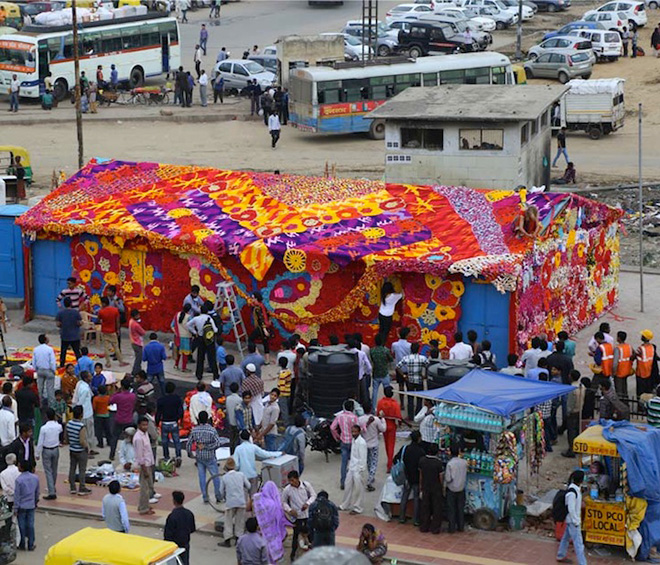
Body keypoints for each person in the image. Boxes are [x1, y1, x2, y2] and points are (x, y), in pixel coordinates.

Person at [186, 410, 223, 504]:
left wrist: (190, 454)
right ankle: (218, 496)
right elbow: (218, 443)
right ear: (208, 419)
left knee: (202, 477)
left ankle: (205, 497)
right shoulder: (212, 430)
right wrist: (208, 447)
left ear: (198, 419)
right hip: (210, 456)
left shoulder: (195, 430)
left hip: (199, 457)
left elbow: (188, 443)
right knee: (215, 477)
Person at [282, 469, 317, 561]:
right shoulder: (287, 489)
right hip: (297, 517)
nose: (291, 482)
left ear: (297, 479)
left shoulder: (306, 485)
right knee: (295, 535)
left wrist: (308, 503)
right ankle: (293, 555)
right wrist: (289, 510)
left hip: (308, 515)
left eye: (292, 480)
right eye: (290, 480)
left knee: (310, 534)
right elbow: (283, 502)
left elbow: (313, 495)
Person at [233, 429, 282, 494]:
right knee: (254, 497)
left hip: (243, 476)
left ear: (240, 437)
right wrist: (279, 453)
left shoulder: (238, 449)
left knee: (244, 498)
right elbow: (265, 454)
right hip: (253, 475)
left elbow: (236, 465)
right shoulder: (253, 447)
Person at [394, 430, 425, 526]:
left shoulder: (405, 449)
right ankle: (415, 520)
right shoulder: (421, 452)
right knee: (416, 498)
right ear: (419, 438)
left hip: (406, 477)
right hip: (416, 478)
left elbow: (395, 459)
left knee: (404, 497)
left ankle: (401, 517)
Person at [219, 457, 251, 547]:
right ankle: (238, 539)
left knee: (228, 521)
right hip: (241, 501)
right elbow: (248, 486)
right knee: (240, 521)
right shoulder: (241, 475)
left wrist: (224, 497)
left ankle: (227, 540)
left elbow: (221, 492)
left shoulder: (224, 478)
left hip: (230, 502)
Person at [557, 470, 587, 565]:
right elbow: (571, 508)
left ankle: (561, 555)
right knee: (578, 544)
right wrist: (576, 521)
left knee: (566, 538)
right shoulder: (572, 493)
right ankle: (583, 563)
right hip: (573, 521)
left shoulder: (575, 490)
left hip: (571, 520)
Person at [330, 400, 359, 490]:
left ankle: (343, 482)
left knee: (344, 462)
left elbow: (332, 427)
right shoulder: (354, 417)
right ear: (352, 408)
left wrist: (337, 436)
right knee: (353, 462)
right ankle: (352, 480)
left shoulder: (340, 416)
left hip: (343, 441)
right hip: (353, 441)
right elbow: (358, 428)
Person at [339, 424, 367, 516]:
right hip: (351, 467)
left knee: (358, 489)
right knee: (348, 486)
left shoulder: (362, 443)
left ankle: (358, 507)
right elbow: (352, 455)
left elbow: (363, 458)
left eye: (355, 432)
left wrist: (361, 470)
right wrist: (349, 466)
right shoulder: (353, 440)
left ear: (359, 432)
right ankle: (345, 505)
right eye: (352, 432)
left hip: (358, 469)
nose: (353, 433)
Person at [187, 304, 219, 381]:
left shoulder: (196, 318)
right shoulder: (209, 318)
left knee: (200, 357)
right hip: (208, 339)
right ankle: (215, 374)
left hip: (200, 338)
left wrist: (195, 332)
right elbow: (215, 330)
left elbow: (188, 325)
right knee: (212, 357)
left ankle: (199, 374)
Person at [163, 491, 196, 565]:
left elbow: (167, 535)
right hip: (185, 544)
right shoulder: (189, 513)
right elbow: (192, 529)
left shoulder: (172, 516)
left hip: (173, 547)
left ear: (174, 501)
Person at [36, 407, 62, 500]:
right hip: (55, 449)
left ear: (46, 417)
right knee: (54, 470)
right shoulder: (58, 426)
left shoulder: (44, 428)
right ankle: (52, 487)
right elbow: (61, 430)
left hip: (46, 450)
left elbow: (40, 442)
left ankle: (51, 491)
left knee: (48, 471)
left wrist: (37, 453)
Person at [397, 342, 429, 417]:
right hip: (419, 380)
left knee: (410, 398)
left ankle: (410, 415)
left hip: (410, 380)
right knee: (419, 399)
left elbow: (398, 367)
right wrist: (425, 375)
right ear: (418, 349)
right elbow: (428, 366)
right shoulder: (422, 358)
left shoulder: (406, 358)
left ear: (411, 349)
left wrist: (404, 375)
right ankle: (418, 415)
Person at [358, 407, 385, 492]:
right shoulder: (376, 420)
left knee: (368, 461)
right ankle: (370, 479)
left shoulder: (360, 419)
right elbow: (383, 429)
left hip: (365, 444)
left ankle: (370, 476)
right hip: (374, 444)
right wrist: (383, 419)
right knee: (374, 462)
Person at [418, 442, 444, 534]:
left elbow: (420, 475)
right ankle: (435, 528)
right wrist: (442, 488)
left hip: (425, 486)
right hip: (436, 487)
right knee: (437, 508)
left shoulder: (422, 460)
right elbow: (440, 477)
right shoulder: (438, 463)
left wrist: (421, 487)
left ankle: (424, 526)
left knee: (425, 507)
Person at [156, 381, 184, 465]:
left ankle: (166, 457)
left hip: (165, 422)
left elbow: (158, 413)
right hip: (174, 422)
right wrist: (180, 419)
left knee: (165, 441)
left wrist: (157, 423)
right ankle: (178, 456)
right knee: (176, 440)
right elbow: (181, 411)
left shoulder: (161, 400)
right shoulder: (177, 399)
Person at [66, 405, 91, 496]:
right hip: (80, 451)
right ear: (81, 414)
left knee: (72, 468)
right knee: (82, 470)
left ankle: (72, 487)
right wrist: (87, 448)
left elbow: (66, 438)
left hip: (72, 449)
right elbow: (82, 440)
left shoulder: (69, 424)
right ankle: (82, 488)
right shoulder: (81, 426)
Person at [14, 460, 39, 551]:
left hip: (21, 506)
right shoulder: (35, 478)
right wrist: (36, 502)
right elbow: (37, 492)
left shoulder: (19, 480)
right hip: (31, 505)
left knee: (21, 525)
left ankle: (22, 543)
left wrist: (15, 508)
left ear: (22, 468)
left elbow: (17, 496)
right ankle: (31, 544)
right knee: (31, 524)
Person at [109, 378, 136, 460]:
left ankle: (112, 454)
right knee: (130, 438)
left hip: (119, 419)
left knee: (115, 437)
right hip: (129, 419)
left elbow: (110, 401)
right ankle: (130, 455)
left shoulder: (118, 396)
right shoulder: (133, 396)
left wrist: (116, 392)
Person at [133, 416, 156, 515]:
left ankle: (146, 504)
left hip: (149, 463)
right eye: (143, 425)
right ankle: (143, 508)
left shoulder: (145, 434)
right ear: (139, 425)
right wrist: (145, 469)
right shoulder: (138, 438)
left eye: (146, 425)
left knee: (149, 486)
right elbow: (140, 455)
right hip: (144, 465)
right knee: (144, 488)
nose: (145, 427)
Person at [98, 297, 127, 368]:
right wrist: (117, 330)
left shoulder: (101, 311)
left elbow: (99, 320)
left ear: (103, 303)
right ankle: (121, 362)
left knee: (106, 348)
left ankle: (108, 363)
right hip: (113, 331)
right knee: (116, 347)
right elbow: (117, 321)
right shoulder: (115, 310)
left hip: (104, 331)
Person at [377, 386, 401, 472]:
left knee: (387, 444)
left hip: (383, 425)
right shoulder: (395, 404)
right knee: (391, 445)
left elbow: (378, 415)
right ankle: (389, 463)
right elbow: (398, 417)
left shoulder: (380, 402)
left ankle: (389, 460)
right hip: (391, 425)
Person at [445, 443, 467, 533]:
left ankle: (451, 528)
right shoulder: (464, 462)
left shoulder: (450, 464)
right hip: (461, 488)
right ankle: (461, 527)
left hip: (452, 489)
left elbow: (448, 478)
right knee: (460, 509)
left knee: (451, 509)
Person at [561, 370, 584, 458]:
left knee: (571, 432)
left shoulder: (572, 388)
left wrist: (568, 412)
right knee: (577, 430)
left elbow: (570, 402)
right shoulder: (582, 386)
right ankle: (577, 448)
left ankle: (571, 450)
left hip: (573, 412)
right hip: (579, 410)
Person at [72, 372, 96, 454]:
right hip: (86, 414)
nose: (91, 377)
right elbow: (80, 402)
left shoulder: (81, 384)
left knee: (89, 433)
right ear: (86, 379)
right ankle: (87, 450)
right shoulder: (85, 389)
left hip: (87, 413)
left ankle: (90, 449)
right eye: (90, 376)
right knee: (87, 433)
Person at [55, 298, 82, 367]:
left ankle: (62, 365)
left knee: (63, 352)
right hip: (75, 335)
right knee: (77, 351)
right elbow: (80, 322)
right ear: (71, 304)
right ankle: (81, 365)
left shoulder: (60, 313)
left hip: (65, 335)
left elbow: (58, 324)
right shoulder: (76, 312)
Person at [33, 334, 57, 406]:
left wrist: (36, 369)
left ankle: (40, 404)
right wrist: (54, 370)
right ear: (46, 340)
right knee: (50, 389)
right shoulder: (49, 349)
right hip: (48, 370)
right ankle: (51, 405)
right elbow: (52, 361)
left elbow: (34, 361)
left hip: (40, 370)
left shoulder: (36, 349)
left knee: (40, 388)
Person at [370, 335, 393, 409]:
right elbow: (391, 359)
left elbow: (372, 360)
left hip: (376, 373)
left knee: (374, 392)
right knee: (387, 392)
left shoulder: (372, 350)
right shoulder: (385, 350)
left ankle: (373, 408)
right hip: (384, 373)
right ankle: (388, 407)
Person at [612, 330, 634, 397]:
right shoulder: (629, 346)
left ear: (618, 338)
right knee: (624, 388)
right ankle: (626, 402)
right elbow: (634, 355)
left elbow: (615, 363)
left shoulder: (617, 348)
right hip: (627, 370)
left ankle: (620, 405)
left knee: (619, 391)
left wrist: (613, 372)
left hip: (619, 372)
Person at [636, 329, 657, 397]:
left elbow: (633, 357)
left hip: (640, 373)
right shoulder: (652, 347)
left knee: (640, 393)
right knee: (647, 392)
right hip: (648, 372)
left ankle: (640, 406)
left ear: (644, 337)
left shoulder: (641, 348)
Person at [171, 304, 192, 372]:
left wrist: (176, 332)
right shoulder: (189, 317)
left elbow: (172, 325)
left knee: (178, 352)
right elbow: (191, 327)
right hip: (186, 337)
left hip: (178, 337)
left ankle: (176, 365)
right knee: (185, 354)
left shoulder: (177, 315)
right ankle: (184, 367)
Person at [128, 309, 146, 375]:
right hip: (137, 342)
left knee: (137, 358)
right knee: (138, 360)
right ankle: (135, 372)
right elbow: (143, 332)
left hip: (133, 341)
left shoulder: (131, 321)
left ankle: (138, 371)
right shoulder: (136, 325)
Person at [276, 356, 292, 426]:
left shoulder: (282, 374)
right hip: (288, 391)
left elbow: (282, 386)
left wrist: (278, 394)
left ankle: (286, 424)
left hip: (283, 394)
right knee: (285, 408)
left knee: (283, 409)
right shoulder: (288, 371)